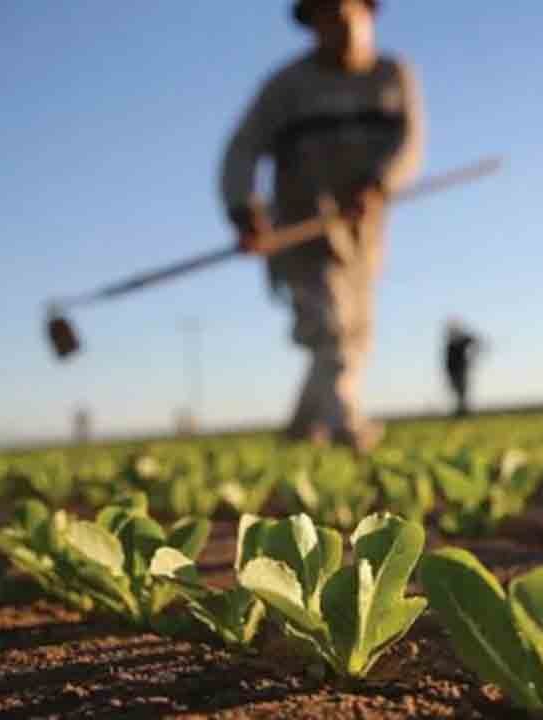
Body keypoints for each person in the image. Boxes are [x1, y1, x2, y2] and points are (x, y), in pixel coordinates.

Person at [220, 0, 424, 451]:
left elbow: (408, 143)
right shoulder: (286, 87)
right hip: (301, 228)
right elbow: (242, 148)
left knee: (355, 334)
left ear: (368, 14)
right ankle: (347, 430)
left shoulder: (392, 76)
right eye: (324, 17)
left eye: (344, 13)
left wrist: (378, 185)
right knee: (328, 328)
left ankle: (300, 432)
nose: (337, 26)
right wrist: (243, 208)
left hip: (362, 233)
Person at [444, 319, 482, 417]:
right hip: (453, 371)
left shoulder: (461, 339)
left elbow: (476, 341)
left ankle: (463, 412)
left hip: (461, 370)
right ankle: (461, 411)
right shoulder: (450, 343)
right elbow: (447, 361)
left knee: (462, 392)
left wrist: (474, 355)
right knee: (457, 392)